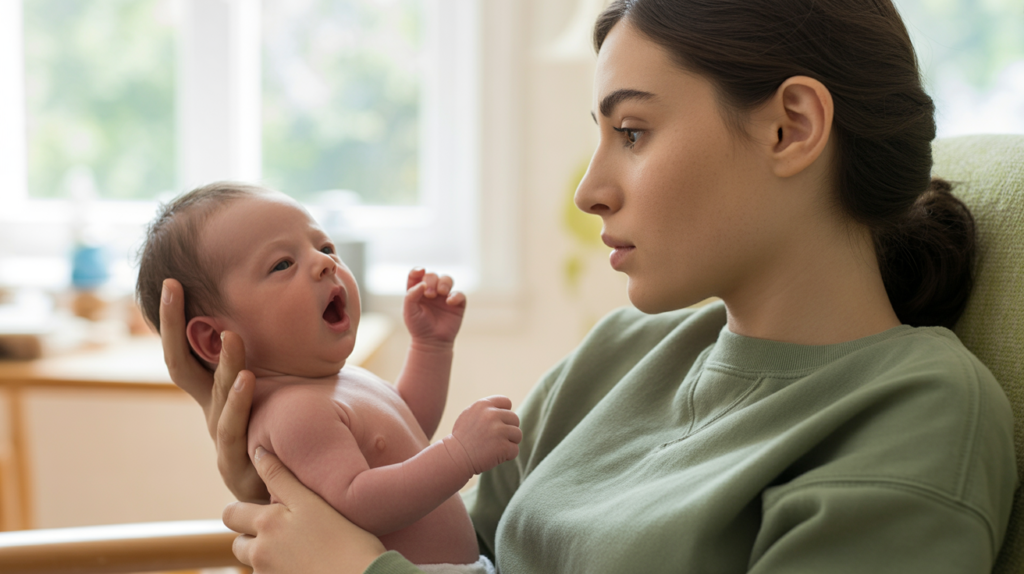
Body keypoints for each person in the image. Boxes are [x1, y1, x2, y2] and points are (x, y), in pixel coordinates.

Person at [159, 0, 1018, 572]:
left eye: (634, 132)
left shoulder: (916, 415)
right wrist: (289, 472)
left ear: (791, 127)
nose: (590, 190)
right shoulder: (622, 353)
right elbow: (469, 548)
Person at [137, 182, 520, 573]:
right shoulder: (292, 411)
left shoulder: (337, 381)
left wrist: (430, 346)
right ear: (215, 340)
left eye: (324, 247)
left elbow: (409, 425)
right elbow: (360, 502)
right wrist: (460, 454)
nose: (325, 263)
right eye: (282, 264)